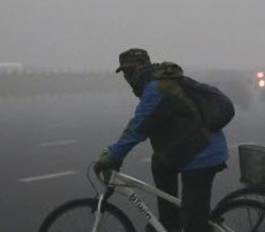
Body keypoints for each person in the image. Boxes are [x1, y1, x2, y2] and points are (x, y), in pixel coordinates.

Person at [93, 48, 228, 232]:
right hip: (189, 150)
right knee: (159, 163)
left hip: (203, 154)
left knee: (193, 225)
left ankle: (192, 224)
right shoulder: (156, 83)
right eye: (124, 72)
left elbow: (138, 128)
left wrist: (114, 156)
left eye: (130, 70)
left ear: (143, 66)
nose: (127, 76)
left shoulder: (157, 88)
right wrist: (114, 149)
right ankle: (169, 223)